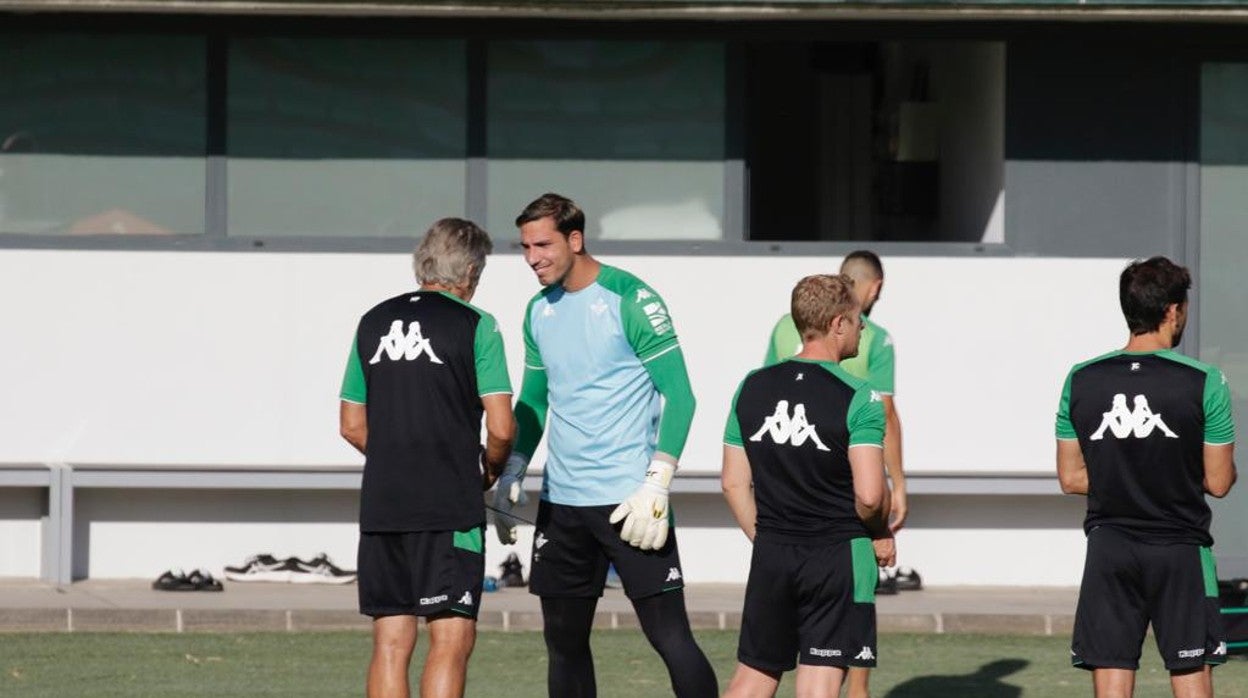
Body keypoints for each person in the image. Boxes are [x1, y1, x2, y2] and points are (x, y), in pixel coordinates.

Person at [491, 192, 718, 697]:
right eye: (525, 247)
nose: (533, 258)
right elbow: (534, 398)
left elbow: (681, 396)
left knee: (668, 635)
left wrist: (657, 482)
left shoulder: (633, 299)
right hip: (562, 506)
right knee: (563, 642)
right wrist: (514, 469)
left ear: (576, 239)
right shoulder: (537, 311)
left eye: (543, 245)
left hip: (631, 503)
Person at [339, 218, 515, 698]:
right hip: (449, 506)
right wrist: (491, 471)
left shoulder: (372, 320)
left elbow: (352, 424)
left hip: (383, 504)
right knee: (450, 637)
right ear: (472, 272)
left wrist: (397, 458)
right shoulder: (477, 326)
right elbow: (501, 427)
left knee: (391, 643)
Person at [1055, 256, 1237, 698]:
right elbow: (1218, 482)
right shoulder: (1205, 380)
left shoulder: (1081, 379)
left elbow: (1071, 477)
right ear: (1173, 310)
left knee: (1112, 676)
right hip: (1180, 549)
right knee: (1191, 674)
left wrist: (1124, 476)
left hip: (1109, 548)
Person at [722, 273, 895, 698]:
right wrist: (880, 531)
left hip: (773, 554)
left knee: (753, 676)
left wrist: (765, 538)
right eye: (857, 321)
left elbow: (732, 482)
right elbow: (870, 495)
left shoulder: (752, 386)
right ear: (838, 324)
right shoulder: (861, 396)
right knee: (819, 677)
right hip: (835, 557)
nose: (862, 329)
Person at [763, 250, 908, 698]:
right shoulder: (876, 338)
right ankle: (858, 689)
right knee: (851, 594)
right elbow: (884, 412)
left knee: (760, 668)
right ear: (875, 288)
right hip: (842, 498)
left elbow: (772, 398)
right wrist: (896, 486)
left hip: (783, 502)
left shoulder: (785, 327)